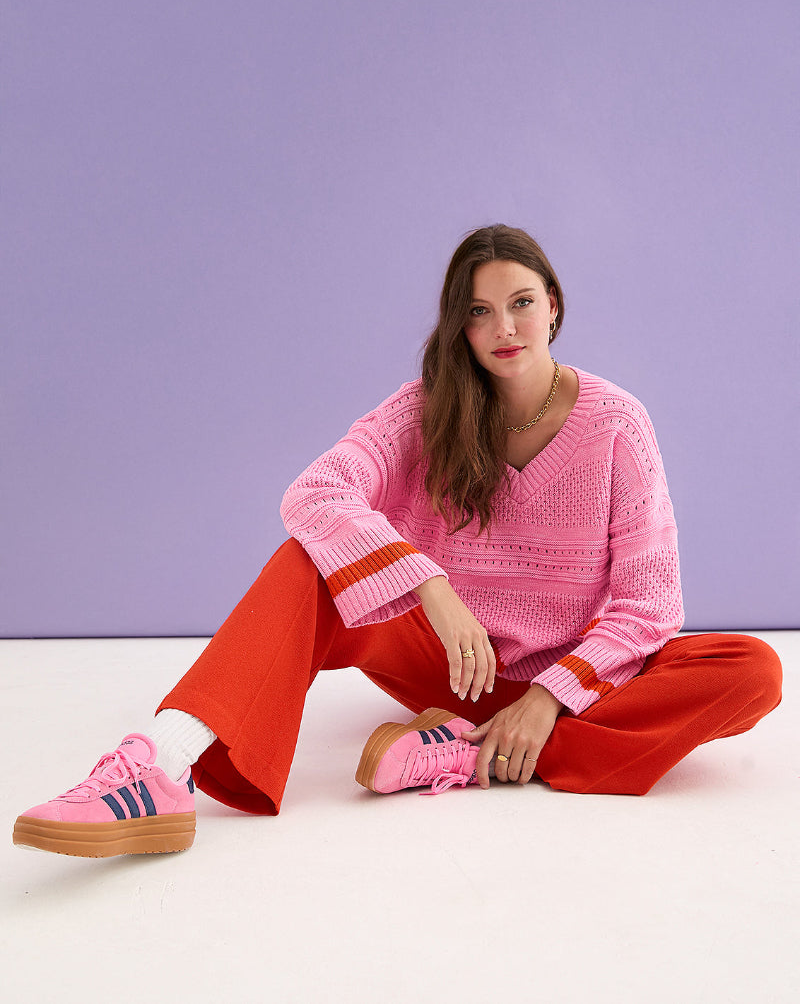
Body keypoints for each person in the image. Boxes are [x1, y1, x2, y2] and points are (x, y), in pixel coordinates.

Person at [13, 224, 782, 858]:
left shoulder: (617, 424)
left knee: (752, 669)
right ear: (460, 326)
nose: (504, 327)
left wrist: (549, 697)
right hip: (452, 664)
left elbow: (650, 606)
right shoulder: (426, 411)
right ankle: (161, 765)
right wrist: (431, 588)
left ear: (553, 306)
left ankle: (462, 754)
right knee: (306, 562)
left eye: (521, 302)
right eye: (480, 312)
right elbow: (313, 494)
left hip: (577, 687)